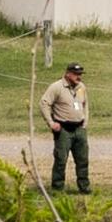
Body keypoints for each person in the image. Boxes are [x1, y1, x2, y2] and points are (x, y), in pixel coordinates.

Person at [39, 61, 90, 193]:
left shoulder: (81, 87)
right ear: (68, 74)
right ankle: (57, 189)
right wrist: (51, 122)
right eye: (76, 74)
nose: (79, 77)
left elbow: (85, 104)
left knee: (83, 160)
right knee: (61, 160)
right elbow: (44, 103)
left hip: (79, 129)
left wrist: (85, 123)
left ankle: (84, 188)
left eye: (80, 74)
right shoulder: (56, 87)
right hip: (63, 130)